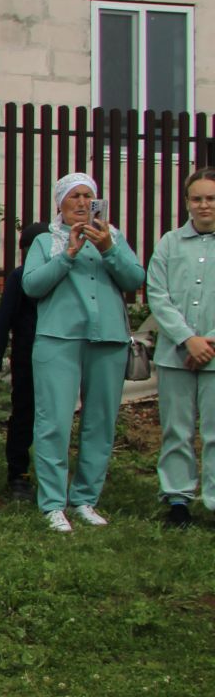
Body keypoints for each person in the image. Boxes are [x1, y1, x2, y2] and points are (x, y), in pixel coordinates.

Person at [23, 172, 144, 531]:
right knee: (54, 422)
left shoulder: (114, 237)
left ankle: (85, 499)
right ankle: (53, 503)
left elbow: (135, 279)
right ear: (60, 203)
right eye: (73, 196)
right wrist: (69, 255)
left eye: (87, 197)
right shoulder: (47, 241)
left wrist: (108, 248)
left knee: (100, 423)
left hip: (108, 339)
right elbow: (32, 285)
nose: (80, 203)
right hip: (58, 339)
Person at [147, 168, 215, 528]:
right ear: (188, 202)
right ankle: (178, 499)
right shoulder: (170, 242)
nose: (204, 205)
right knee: (177, 429)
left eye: (211, 198)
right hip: (176, 355)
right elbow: (158, 294)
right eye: (197, 198)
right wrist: (188, 338)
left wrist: (207, 342)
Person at [0, 223, 48, 503]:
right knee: (24, 414)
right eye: (28, 249)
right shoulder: (20, 277)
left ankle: (50, 474)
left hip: (59, 357)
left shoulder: (57, 275)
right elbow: (4, 318)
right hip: (26, 358)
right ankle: (18, 474)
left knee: (52, 418)